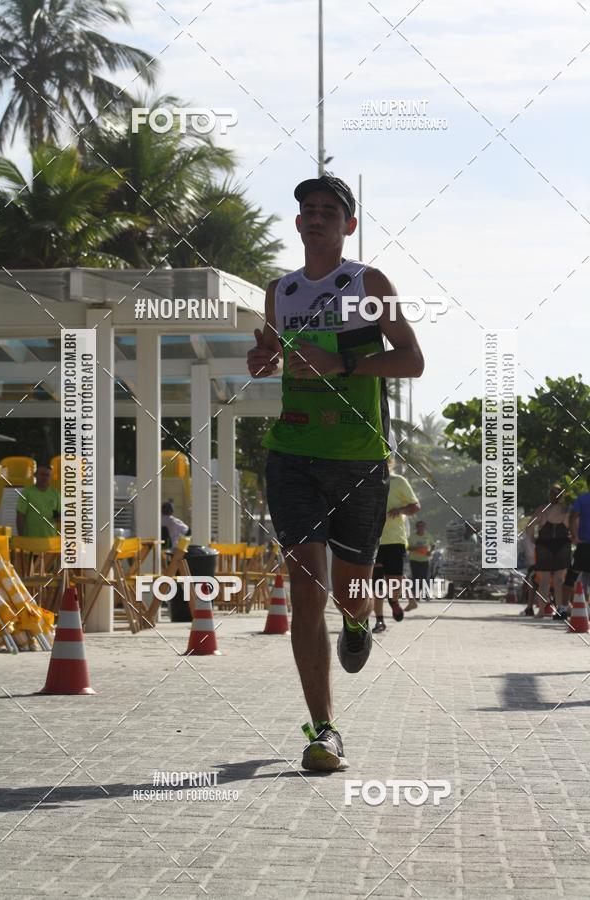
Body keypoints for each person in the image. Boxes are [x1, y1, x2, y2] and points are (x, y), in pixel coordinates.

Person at [246, 173, 424, 771]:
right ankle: (324, 731)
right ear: (298, 224)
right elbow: (272, 353)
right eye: (308, 211)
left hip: (358, 460)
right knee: (305, 588)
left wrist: (340, 362)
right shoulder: (280, 290)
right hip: (292, 453)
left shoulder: (369, 284)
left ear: (348, 226)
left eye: (329, 211)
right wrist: (263, 356)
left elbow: (413, 360)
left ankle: (358, 622)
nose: (316, 218)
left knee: (350, 592)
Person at [372, 465, 420, 632]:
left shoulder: (398, 481)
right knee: (377, 585)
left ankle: (394, 601)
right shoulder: (366, 481)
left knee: (395, 582)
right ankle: (379, 621)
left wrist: (400, 510)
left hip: (394, 540)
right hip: (372, 540)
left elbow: (415, 506)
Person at [525, 485, 571, 618]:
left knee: (544, 581)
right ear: (562, 496)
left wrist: (533, 538)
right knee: (558, 580)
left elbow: (529, 527)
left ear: (548, 496)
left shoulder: (542, 510)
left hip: (544, 545)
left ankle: (541, 612)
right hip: (562, 546)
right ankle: (559, 610)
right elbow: (574, 528)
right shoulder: (567, 511)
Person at [15, 461, 60, 537]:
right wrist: (21, 537)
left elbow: (57, 515)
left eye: (47, 475)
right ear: (35, 475)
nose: (44, 477)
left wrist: (60, 517)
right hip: (31, 540)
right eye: (42, 474)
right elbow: (20, 516)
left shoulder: (55, 494)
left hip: (50, 540)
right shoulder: (27, 492)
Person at [570, 488, 590, 600]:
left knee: (580, 574)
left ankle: (582, 604)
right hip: (584, 543)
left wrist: (575, 536)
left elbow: (572, 518)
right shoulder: (582, 498)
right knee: (583, 576)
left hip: (584, 543)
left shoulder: (582, 498)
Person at [408, 519, 435, 601]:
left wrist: (430, 551)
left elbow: (433, 545)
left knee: (425, 578)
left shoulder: (428, 536)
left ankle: (425, 594)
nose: (421, 528)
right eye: (419, 526)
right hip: (414, 560)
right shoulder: (412, 536)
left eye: (423, 526)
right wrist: (416, 548)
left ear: (425, 527)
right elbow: (408, 547)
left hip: (425, 560)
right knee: (415, 578)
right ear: (416, 527)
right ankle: (416, 595)